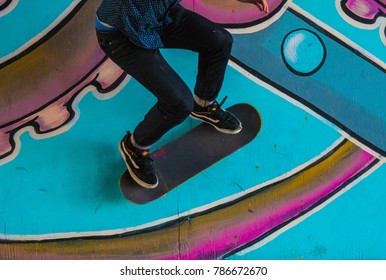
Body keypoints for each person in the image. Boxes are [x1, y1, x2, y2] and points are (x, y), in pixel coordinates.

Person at [95, 0, 269, 189]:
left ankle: (204, 104)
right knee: (179, 104)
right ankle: (135, 146)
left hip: (160, 16)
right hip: (121, 35)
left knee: (219, 41)